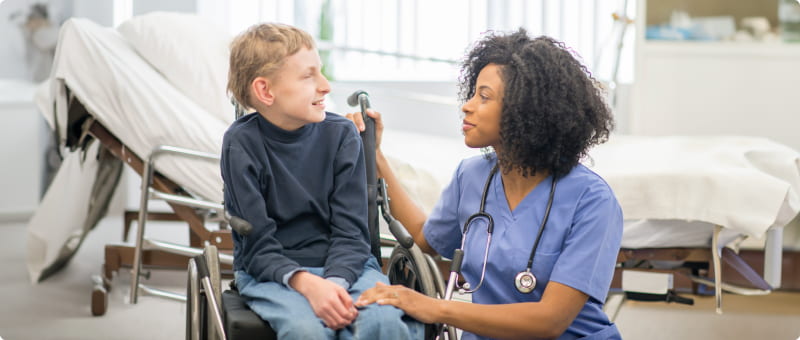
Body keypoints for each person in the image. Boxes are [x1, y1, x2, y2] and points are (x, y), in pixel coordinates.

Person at [351, 29, 623, 339]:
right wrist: (376, 157)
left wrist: (434, 307)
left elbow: (550, 321)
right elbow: (423, 239)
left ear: (525, 110)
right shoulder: (472, 176)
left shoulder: (592, 201)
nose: (467, 106)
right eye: (472, 94)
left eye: (484, 97)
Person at [221, 23, 420, 339]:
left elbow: (352, 233)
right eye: (308, 75)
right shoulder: (240, 144)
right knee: (306, 331)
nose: (326, 85)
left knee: (383, 323)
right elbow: (257, 245)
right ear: (265, 91)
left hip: (349, 267)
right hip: (271, 274)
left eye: (321, 72)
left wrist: (334, 284)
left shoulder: (341, 136)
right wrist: (307, 284)